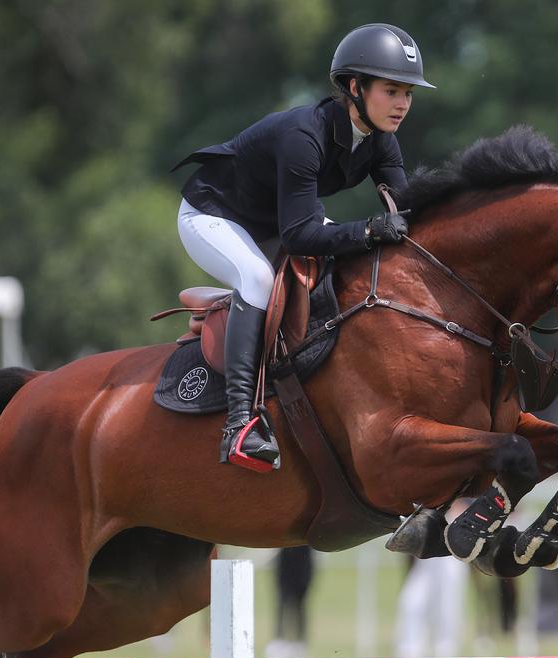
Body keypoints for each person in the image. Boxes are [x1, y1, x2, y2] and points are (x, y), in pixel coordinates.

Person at [172, 23, 433, 470]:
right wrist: (369, 231)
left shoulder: (381, 142)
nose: (403, 104)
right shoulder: (303, 135)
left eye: (407, 93)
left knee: (340, 271)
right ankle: (239, 424)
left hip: (276, 219)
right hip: (212, 215)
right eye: (392, 91)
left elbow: (407, 214)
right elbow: (299, 237)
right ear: (355, 87)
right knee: (256, 278)